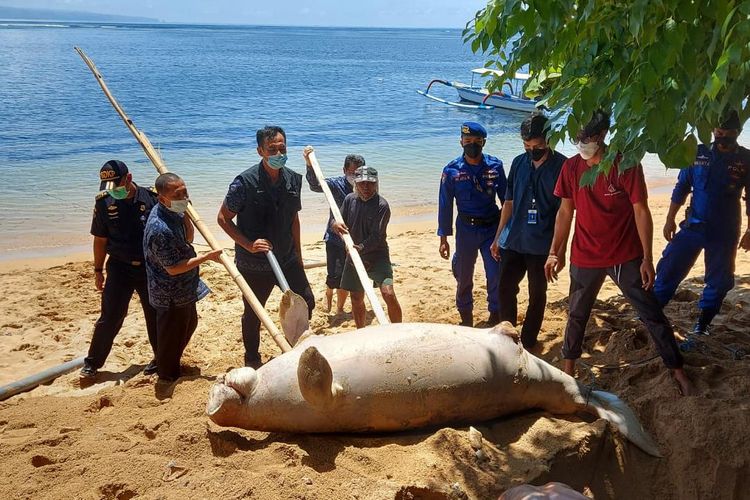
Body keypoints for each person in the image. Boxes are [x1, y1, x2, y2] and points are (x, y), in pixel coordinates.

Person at [544, 111, 694, 395]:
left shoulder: (625, 164)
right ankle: (568, 372)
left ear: (601, 136)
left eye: (586, 138)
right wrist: (555, 252)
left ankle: (677, 370)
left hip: (625, 255)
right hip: (585, 255)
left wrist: (647, 259)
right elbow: (565, 212)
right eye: (577, 138)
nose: (580, 143)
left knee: (651, 313)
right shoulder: (572, 168)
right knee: (576, 314)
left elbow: (641, 209)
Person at [217, 126, 315, 368]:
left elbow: (294, 218)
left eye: (282, 148)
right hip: (255, 263)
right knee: (254, 313)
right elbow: (222, 218)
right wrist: (248, 245)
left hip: (287, 256)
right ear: (260, 151)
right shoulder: (244, 183)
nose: (279, 152)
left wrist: (299, 255)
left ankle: (299, 347)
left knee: (307, 301)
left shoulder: (293, 179)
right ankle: (252, 359)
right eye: (272, 149)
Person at [654, 111, 750, 335]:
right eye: (717, 129)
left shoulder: (746, 160)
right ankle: (653, 314)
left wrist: (749, 230)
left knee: (719, 281)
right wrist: (669, 219)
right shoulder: (698, 153)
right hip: (693, 226)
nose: (719, 133)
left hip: (725, 230)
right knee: (668, 268)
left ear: (737, 132)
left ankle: (703, 324)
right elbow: (681, 188)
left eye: (725, 130)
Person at [490, 113, 567, 348]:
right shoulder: (518, 163)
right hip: (513, 239)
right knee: (505, 288)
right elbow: (509, 203)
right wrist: (497, 238)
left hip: (541, 244)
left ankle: (530, 340)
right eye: (527, 146)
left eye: (538, 146)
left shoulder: (562, 167)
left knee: (537, 294)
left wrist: (558, 251)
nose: (532, 150)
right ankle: (507, 337)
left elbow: (565, 214)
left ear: (549, 140)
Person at [80, 160, 159, 379]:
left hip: (148, 268)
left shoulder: (152, 199)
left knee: (154, 315)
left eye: (116, 186)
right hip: (118, 268)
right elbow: (100, 240)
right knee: (110, 316)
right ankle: (92, 363)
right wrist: (97, 270)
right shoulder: (104, 203)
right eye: (108, 187)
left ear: (129, 178)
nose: (113, 191)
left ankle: (160, 359)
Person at [143, 173, 222, 382]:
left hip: (184, 287)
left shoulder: (174, 210)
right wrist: (207, 258)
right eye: (179, 195)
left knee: (190, 324)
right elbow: (173, 268)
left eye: (185, 192)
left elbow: (188, 237)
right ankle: (167, 374)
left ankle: (166, 361)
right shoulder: (159, 228)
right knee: (172, 335)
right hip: (169, 291)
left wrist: (186, 211)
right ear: (162, 199)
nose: (184, 197)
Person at [438, 122, 506, 327]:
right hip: (465, 229)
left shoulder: (495, 166)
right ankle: (465, 315)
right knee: (464, 274)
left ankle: (495, 313)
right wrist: (443, 239)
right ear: (461, 142)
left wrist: (504, 234)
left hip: (491, 228)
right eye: (468, 141)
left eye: (477, 142)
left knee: (495, 273)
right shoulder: (451, 171)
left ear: (484, 142)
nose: (472, 145)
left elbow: (507, 201)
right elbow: (445, 205)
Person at [332, 166, 402, 328]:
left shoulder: (382, 205)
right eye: (362, 183)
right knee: (356, 298)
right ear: (356, 183)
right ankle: (361, 331)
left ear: (376, 184)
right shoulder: (350, 199)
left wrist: (360, 247)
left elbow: (377, 237)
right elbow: (337, 220)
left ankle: (399, 329)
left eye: (370, 184)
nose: (365, 187)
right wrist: (335, 224)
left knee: (388, 294)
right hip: (354, 255)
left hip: (377, 255)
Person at [303, 148, 365, 314]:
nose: (355, 176)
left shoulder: (366, 187)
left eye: (358, 173)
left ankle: (339, 310)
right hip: (335, 238)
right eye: (352, 172)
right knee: (334, 277)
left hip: (355, 240)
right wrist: (309, 164)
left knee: (348, 279)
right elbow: (316, 185)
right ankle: (328, 293)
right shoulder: (336, 185)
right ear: (344, 170)